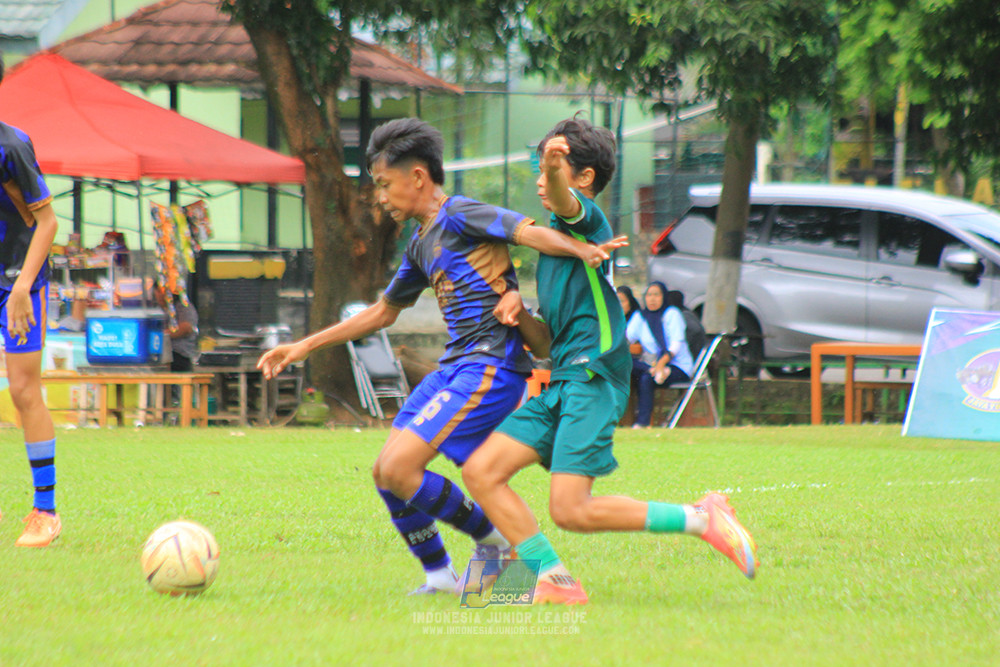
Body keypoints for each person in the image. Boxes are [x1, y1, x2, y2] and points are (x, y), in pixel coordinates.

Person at [257, 118, 621, 596]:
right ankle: (440, 576)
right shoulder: (420, 243)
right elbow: (383, 313)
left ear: (418, 179)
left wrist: (581, 249)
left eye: (385, 185)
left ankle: (499, 547)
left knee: (402, 468)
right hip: (456, 368)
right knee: (385, 472)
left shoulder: (463, 214)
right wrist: (304, 344)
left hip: (491, 367)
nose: (380, 198)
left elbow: (529, 233)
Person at [463, 115, 758, 605]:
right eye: (540, 167)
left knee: (571, 511)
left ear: (583, 179)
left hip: (594, 378)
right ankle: (555, 583)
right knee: (481, 473)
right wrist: (518, 316)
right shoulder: (558, 246)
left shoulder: (585, 219)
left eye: (552, 167)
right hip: (561, 379)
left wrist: (559, 175)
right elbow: (545, 344)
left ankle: (704, 519)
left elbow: (563, 199)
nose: (541, 178)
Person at [0, 53, 62, 547]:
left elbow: (47, 221)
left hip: (18, 283)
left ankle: (46, 512)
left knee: (23, 390)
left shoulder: (11, 145)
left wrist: (22, 286)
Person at [626, 281, 695, 428]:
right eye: (649, 295)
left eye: (656, 295)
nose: (652, 299)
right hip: (651, 366)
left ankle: (642, 423)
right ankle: (653, 371)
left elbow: (675, 345)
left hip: (676, 366)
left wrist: (661, 365)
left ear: (663, 296)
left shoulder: (672, 314)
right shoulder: (640, 317)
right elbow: (626, 339)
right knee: (624, 362)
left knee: (646, 379)